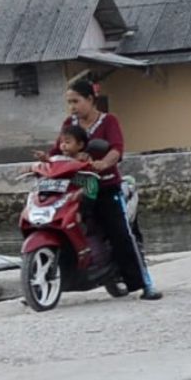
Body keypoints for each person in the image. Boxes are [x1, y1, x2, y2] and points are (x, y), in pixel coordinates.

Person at [34, 79, 161, 300]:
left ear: (90, 99)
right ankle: (39, 284)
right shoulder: (69, 123)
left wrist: (104, 163)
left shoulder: (108, 121)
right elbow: (58, 150)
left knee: (121, 235)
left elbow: (116, 149)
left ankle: (144, 284)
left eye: (76, 101)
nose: (72, 107)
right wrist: (45, 160)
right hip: (75, 186)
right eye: (69, 102)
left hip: (105, 186)